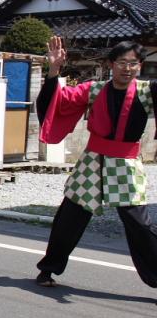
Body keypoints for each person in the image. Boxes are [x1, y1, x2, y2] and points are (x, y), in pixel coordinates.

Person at [35, 37, 157, 288]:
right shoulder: (93, 89)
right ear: (111, 64)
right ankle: (48, 269)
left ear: (140, 66)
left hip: (126, 163)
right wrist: (55, 69)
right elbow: (58, 101)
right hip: (92, 162)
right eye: (121, 62)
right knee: (69, 218)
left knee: (140, 226)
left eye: (132, 63)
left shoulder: (147, 91)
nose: (127, 68)